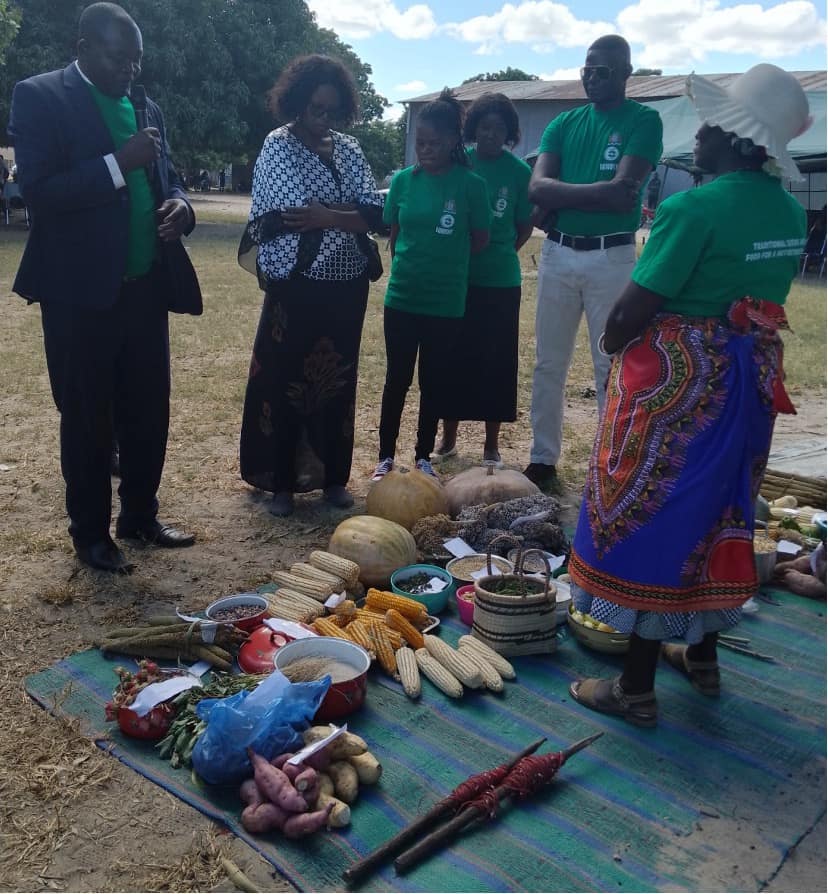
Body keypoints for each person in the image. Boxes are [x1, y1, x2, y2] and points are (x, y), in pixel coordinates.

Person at [566, 64, 811, 727]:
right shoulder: (789, 211)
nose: (697, 136)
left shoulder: (691, 208)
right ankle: (702, 658)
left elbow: (633, 309)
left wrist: (615, 346)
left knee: (657, 517)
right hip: (749, 378)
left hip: (682, 384)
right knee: (717, 512)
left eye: (709, 125)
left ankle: (635, 688)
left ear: (737, 138)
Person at [9, 2, 200, 573]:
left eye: (137, 60)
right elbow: (38, 190)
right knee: (88, 414)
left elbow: (172, 177)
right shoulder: (40, 96)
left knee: (147, 408)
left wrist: (182, 208)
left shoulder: (146, 106)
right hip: (79, 295)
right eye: (121, 58)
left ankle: (139, 514)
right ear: (85, 47)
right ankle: (91, 536)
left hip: (144, 287)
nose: (131, 71)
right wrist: (118, 163)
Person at [238, 54, 384, 516]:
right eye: (317, 109)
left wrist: (329, 215)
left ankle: (333, 478)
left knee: (338, 381)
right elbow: (293, 212)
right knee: (285, 380)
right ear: (297, 104)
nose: (324, 119)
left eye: (333, 111)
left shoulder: (350, 148)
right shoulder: (276, 146)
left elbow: (376, 213)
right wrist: (344, 215)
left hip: (346, 283)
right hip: (296, 283)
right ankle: (281, 484)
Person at [524, 35, 663, 490]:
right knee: (549, 362)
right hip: (559, 253)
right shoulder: (564, 122)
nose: (593, 77)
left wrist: (562, 193)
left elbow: (626, 189)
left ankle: (610, 459)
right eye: (588, 69)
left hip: (612, 256)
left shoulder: (644, 120)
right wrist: (598, 192)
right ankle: (542, 458)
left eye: (604, 70)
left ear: (626, 73)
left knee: (612, 362)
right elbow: (536, 189)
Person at [372, 88, 490, 482]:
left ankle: (423, 455)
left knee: (433, 383)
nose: (426, 150)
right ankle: (384, 456)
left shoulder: (471, 186)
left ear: (453, 142)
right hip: (402, 298)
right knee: (397, 380)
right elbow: (395, 232)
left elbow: (479, 240)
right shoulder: (404, 182)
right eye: (420, 143)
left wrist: (446, 264)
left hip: (446, 303)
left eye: (434, 143)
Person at [431, 92, 534, 468]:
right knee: (451, 359)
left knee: (495, 362)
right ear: (473, 130)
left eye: (499, 129)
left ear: (509, 133)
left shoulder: (520, 173)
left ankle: (492, 444)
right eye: (484, 127)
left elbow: (524, 227)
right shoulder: (460, 164)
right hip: (457, 280)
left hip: (500, 283)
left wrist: (498, 251)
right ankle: (448, 437)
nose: (491, 135)